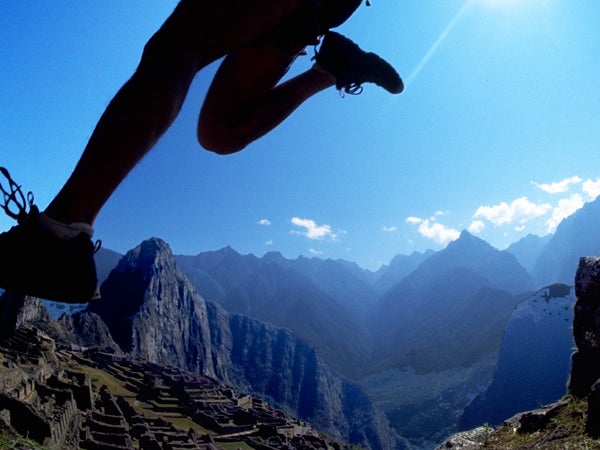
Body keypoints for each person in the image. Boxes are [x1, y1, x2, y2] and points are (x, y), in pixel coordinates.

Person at [0, 0, 403, 303]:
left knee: (181, 45)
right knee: (221, 132)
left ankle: (60, 233)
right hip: (315, 9)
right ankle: (333, 68)